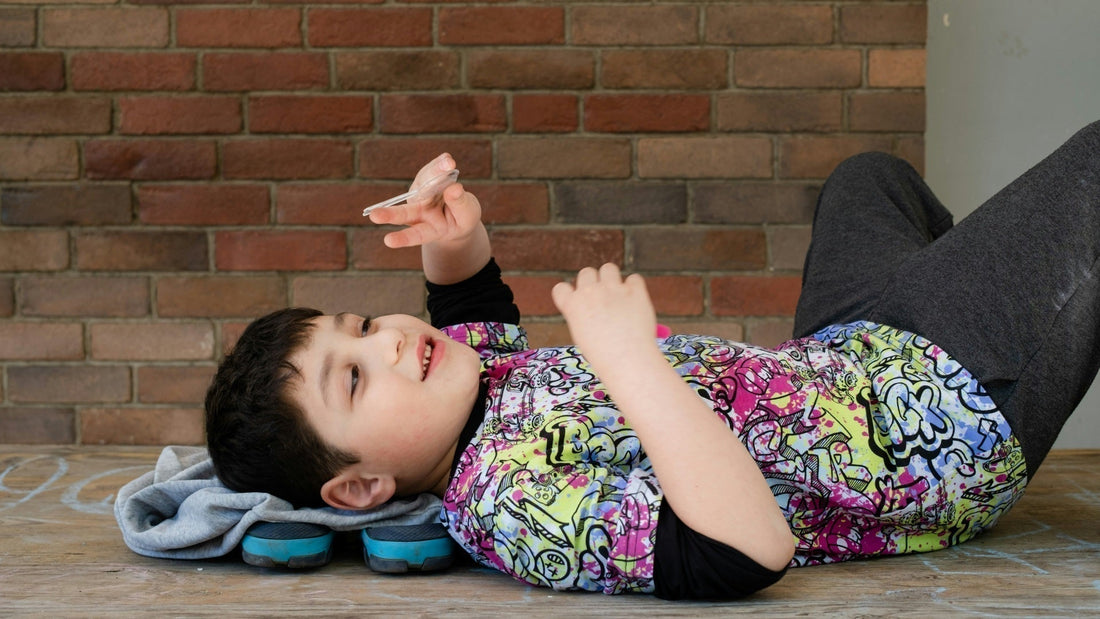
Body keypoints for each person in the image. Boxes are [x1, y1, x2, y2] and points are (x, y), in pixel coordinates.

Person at [204, 120, 1100, 600]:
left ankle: (1031, 303)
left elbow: (468, 305)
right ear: (361, 486)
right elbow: (746, 550)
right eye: (355, 375)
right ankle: (1026, 335)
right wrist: (633, 364)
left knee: (869, 178)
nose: (389, 341)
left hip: (838, 362)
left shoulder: (465, 389)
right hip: (928, 424)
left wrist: (451, 233)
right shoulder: (509, 504)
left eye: (362, 323)